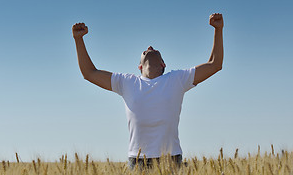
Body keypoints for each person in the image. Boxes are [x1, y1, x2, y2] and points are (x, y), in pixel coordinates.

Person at [72, 13, 224, 169]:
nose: (150, 47)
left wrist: (218, 30)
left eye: (154, 50)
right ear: (139, 67)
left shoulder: (177, 79)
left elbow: (215, 64)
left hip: (170, 159)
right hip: (137, 161)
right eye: (146, 49)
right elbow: (89, 73)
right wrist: (78, 39)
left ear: (163, 64)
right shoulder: (126, 82)